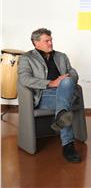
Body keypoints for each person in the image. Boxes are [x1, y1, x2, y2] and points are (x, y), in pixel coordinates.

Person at [18, 28, 81, 163]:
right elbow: (24, 79)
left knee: (68, 82)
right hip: (44, 95)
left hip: (64, 92)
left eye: (51, 40)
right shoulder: (26, 58)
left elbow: (74, 73)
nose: (51, 43)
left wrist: (67, 79)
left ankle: (61, 115)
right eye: (47, 41)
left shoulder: (61, 56)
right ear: (36, 43)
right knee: (64, 104)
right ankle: (68, 145)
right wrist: (52, 83)